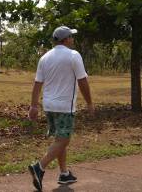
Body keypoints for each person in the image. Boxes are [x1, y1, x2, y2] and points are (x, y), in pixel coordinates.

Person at [28, 26, 94, 191]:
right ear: (66, 39)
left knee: (59, 139)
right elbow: (83, 81)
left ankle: (64, 174)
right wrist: (90, 103)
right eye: (71, 37)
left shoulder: (44, 57)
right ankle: (39, 167)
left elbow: (37, 83)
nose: (73, 39)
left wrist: (34, 106)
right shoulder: (73, 55)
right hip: (64, 106)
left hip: (49, 105)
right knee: (64, 140)